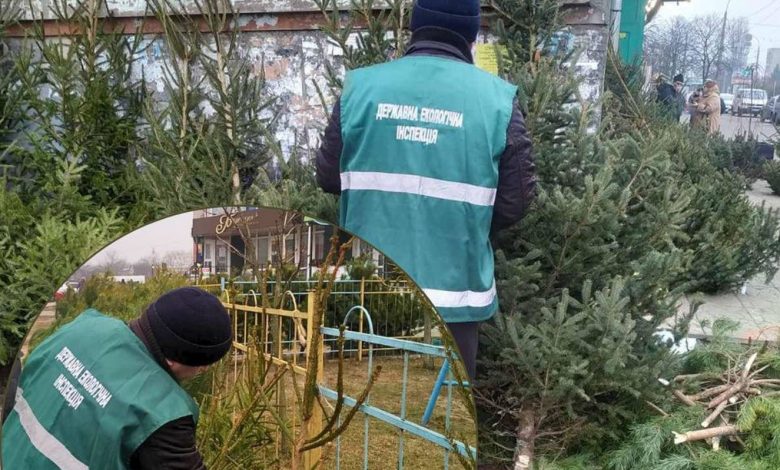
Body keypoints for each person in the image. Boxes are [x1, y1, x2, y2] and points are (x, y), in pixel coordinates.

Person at [316, 0, 535, 379]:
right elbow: (516, 202)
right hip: (456, 297)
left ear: (415, 28)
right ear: (471, 35)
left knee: (365, 414)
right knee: (451, 420)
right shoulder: (497, 100)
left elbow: (328, 177)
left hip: (372, 292)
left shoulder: (360, 88)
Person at [2, 286, 232, 469]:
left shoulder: (85, 326)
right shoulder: (162, 413)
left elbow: (15, 392)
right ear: (175, 357)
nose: (204, 370)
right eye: (203, 364)